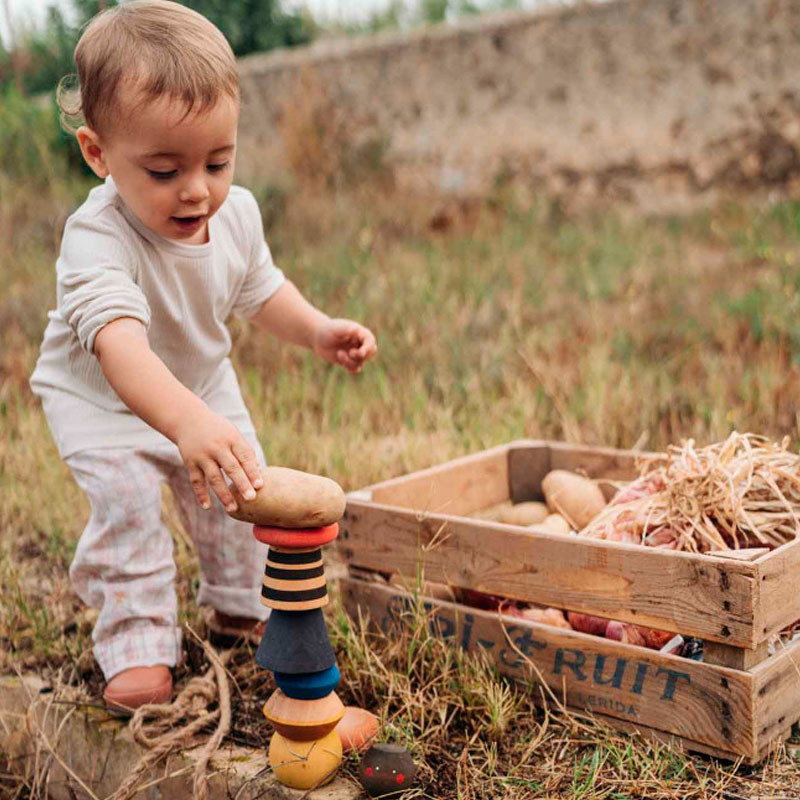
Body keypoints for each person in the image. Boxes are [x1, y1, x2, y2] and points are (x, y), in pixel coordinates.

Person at [29, 0, 377, 713]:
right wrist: (185, 425)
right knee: (127, 506)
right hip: (101, 400)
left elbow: (259, 288)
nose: (197, 189)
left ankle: (238, 600)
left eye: (218, 161)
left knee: (239, 492)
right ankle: (136, 640)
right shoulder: (95, 239)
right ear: (98, 153)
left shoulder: (235, 213)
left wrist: (315, 329)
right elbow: (120, 347)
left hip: (201, 384)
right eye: (164, 171)